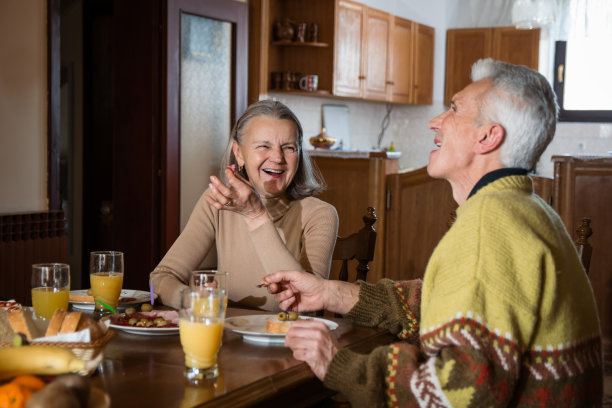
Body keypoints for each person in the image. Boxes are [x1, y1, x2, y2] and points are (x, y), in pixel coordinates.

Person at [263, 59, 603, 407]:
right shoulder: (525, 209)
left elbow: (464, 390)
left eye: (453, 109)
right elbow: (446, 302)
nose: (434, 121)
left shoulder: (489, 224)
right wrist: (328, 292)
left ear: (487, 136)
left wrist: (339, 364)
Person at [151, 100, 338, 311]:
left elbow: (307, 302)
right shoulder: (217, 203)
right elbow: (159, 279)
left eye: (289, 148)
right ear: (238, 153)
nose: (277, 158)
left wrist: (255, 214)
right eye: (263, 146)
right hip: (228, 338)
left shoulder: (320, 214)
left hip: (288, 339)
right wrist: (189, 298)